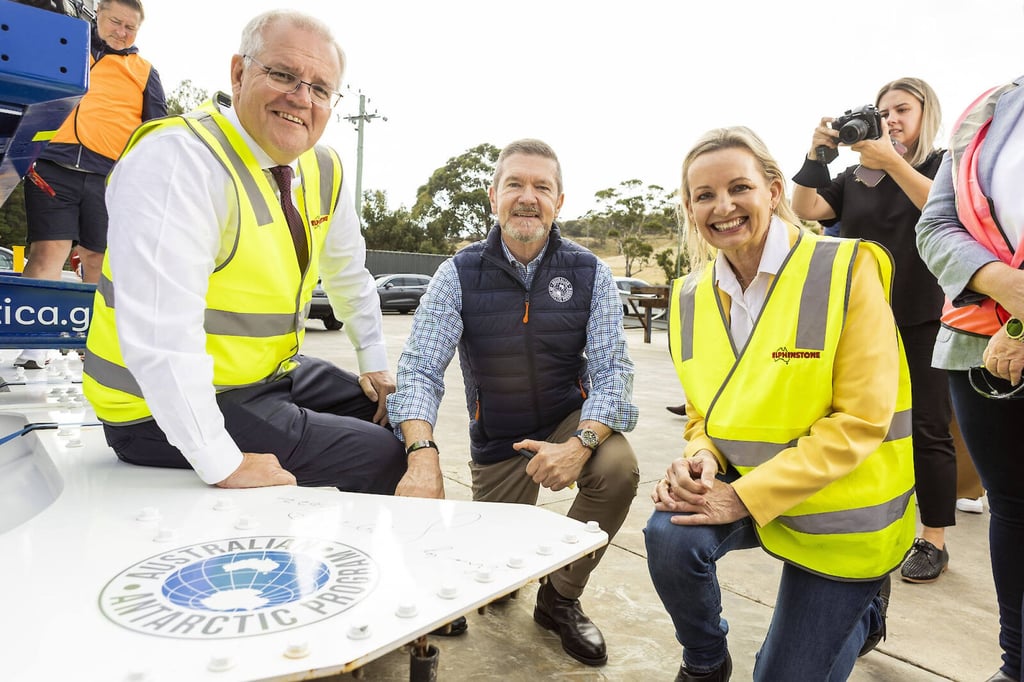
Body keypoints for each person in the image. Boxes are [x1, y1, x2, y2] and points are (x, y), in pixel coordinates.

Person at [81, 9, 406, 495]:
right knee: (382, 458)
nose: (302, 98)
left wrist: (374, 362)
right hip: (153, 407)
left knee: (392, 414)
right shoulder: (179, 161)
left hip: (263, 378)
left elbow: (349, 275)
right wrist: (220, 461)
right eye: (283, 75)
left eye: (320, 88)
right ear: (238, 72)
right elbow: (162, 337)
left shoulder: (322, 169)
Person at [645, 126, 915, 681]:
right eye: (704, 195)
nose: (723, 207)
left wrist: (740, 498)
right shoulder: (690, 296)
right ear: (690, 207)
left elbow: (862, 421)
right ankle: (704, 661)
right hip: (749, 486)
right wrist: (703, 458)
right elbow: (704, 414)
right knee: (668, 536)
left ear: (772, 190)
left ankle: (865, 612)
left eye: (738, 187)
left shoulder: (845, 268)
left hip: (843, 516)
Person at [387, 138, 640, 666]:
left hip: (568, 419)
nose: (528, 198)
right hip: (500, 439)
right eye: (515, 185)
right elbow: (419, 368)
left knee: (618, 468)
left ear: (560, 201)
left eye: (541, 187)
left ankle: (559, 598)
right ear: (493, 196)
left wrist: (580, 443)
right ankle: (485, 573)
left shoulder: (589, 271)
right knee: (493, 583)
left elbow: (615, 372)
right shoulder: (458, 272)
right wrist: (423, 450)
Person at [792, 77, 956, 585]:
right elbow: (805, 209)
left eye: (902, 110)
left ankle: (933, 539)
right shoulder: (853, 176)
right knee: (866, 424)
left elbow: (942, 207)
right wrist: (817, 155)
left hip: (925, 314)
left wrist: (892, 161)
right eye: (883, 112)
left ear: (926, 114)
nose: (891, 121)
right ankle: (865, 521)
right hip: (863, 320)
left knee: (928, 429)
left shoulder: (941, 163)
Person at [916, 74, 1024, 682]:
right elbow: (935, 224)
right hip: (976, 344)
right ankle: (1016, 665)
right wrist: (1003, 284)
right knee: (1013, 508)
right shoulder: (990, 111)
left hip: (1009, 338)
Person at [15, 0, 166, 370]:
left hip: (109, 177)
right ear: (98, 13)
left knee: (99, 260)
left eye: (131, 28)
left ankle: (94, 347)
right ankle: (34, 347)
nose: (122, 32)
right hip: (53, 164)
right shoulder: (67, 50)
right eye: (116, 22)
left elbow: (158, 133)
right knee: (49, 250)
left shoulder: (144, 72)